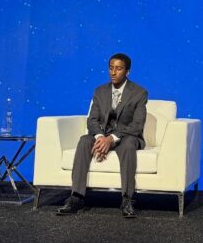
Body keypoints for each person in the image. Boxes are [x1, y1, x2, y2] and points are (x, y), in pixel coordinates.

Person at [56, 53, 147, 219]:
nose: (113, 72)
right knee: (84, 140)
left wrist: (111, 139)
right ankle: (76, 196)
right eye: (111, 68)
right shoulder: (99, 91)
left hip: (126, 136)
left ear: (127, 71)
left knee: (128, 145)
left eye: (118, 69)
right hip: (102, 135)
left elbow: (137, 125)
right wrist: (99, 137)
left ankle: (127, 199)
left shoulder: (139, 93)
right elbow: (92, 120)